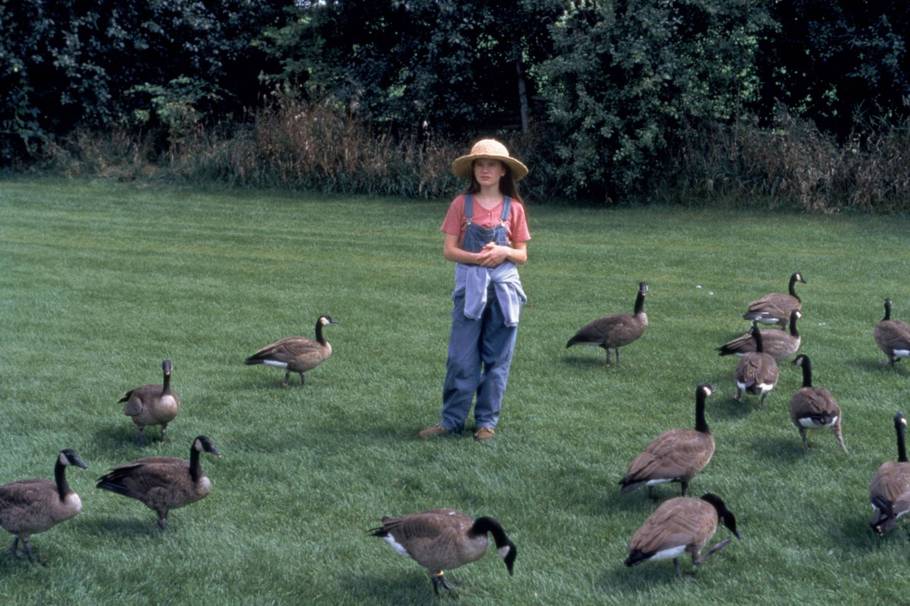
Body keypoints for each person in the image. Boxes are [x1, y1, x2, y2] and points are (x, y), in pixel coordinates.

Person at [419, 139, 531, 442]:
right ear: (473, 170)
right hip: (470, 290)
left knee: (497, 360)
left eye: (491, 164)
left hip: (504, 293)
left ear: (503, 171)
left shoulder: (515, 208)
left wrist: (503, 252)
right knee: (461, 358)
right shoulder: (461, 204)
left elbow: (522, 254)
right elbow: (449, 251)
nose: (485, 169)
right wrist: (479, 259)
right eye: (479, 164)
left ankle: (486, 422)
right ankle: (451, 420)